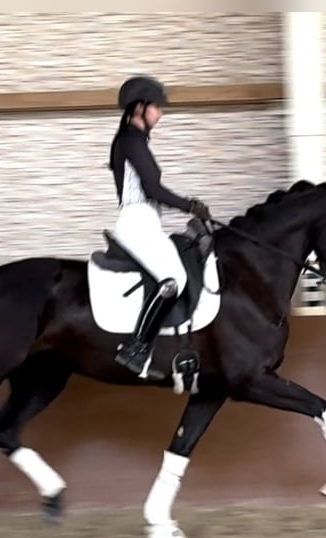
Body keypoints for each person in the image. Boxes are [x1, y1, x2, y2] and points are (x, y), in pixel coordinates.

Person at [108, 75, 211, 378]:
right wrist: (189, 205)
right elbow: (153, 189)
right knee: (172, 278)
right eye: (156, 107)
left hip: (147, 222)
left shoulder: (135, 141)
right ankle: (136, 348)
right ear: (140, 108)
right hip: (136, 222)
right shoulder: (129, 140)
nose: (161, 112)